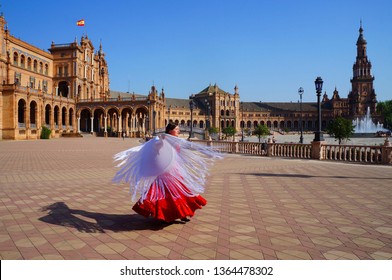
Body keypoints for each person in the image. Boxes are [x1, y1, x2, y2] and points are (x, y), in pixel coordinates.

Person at [113, 123, 221, 223]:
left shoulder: (177, 140)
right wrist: (159, 141)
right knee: (167, 192)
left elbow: (185, 150)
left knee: (179, 191)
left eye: (178, 129)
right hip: (165, 171)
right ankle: (165, 214)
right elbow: (156, 147)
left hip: (175, 169)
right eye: (176, 129)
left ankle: (182, 213)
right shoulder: (164, 140)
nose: (178, 130)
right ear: (170, 131)